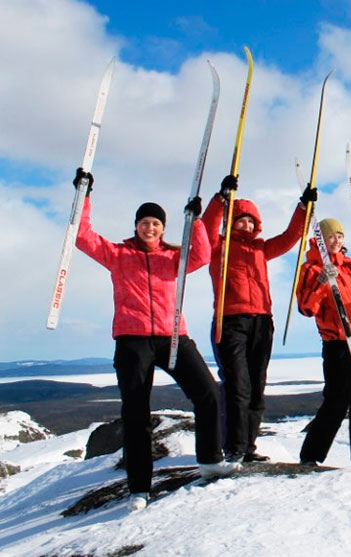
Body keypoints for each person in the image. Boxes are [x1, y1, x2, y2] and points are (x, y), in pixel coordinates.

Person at [72, 168, 239, 512]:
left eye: (157, 224)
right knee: (136, 412)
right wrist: (83, 195)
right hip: (133, 341)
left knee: (208, 393)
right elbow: (82, 236)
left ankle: (209, 460)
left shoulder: (173, 257)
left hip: (172, 336)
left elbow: (202, 255)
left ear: (163, 229)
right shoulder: (119, 255)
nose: (150, 228)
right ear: (136, 225)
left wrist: (197, 219)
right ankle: (139, 488)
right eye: (145, 222)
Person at [202, 175, 315, 463]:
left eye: (251, 221)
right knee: (237, 385)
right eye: (241, 220)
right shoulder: (218, 247)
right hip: (230, 322)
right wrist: (220, 200)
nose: (247, 225)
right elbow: (205, 228)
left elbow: (291, 237)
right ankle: (234, 448)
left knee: (256, 387)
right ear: (231, 221)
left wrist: (303, 208)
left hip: (262, 323)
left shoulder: (261, 249)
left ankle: (248, 447)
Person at [296, 218, 351, 468]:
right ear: (321, 240)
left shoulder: (350, 266)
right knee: (337, 399)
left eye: (340, 236)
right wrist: (322, 283)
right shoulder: (311, 269)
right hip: (338, 342)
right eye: (331, 236)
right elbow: (306, 308)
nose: (337, 240)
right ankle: (311, 455)